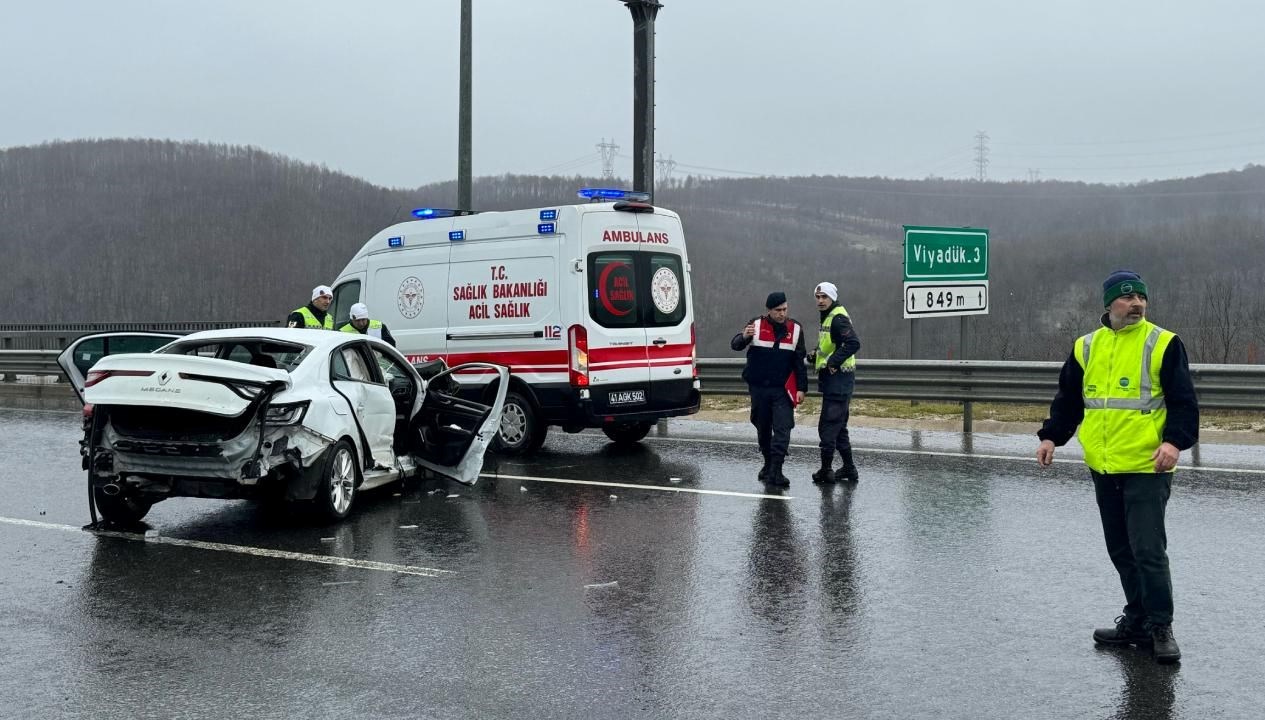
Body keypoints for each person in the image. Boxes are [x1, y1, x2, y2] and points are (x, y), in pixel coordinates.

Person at [1036, 269, 1198, 665]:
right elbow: (1069, 400)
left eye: (1141, 298)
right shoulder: (1086, 347)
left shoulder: (1162, 343)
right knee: (1121, 548)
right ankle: (1138, 620)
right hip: (1104, 465)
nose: (1136, 304)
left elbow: (1183, 402)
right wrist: (1050, 436)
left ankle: (1161, 626)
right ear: (1109, 305)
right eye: (1127, 299)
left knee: (1148, 550)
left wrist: (1174, 442)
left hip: (1147, 464)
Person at [731, 291, 808, 487]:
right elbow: (736, 345)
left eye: (785, 309)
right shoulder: (756, 325)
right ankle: (767, 463)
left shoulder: (795, 329)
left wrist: (801, 388)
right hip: (759, 388)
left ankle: (777, 470)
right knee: (762, 427)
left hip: (782, 390)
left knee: (783, 429)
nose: (782, 314)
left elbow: (799, 362)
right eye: (778, 310)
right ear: (769, 311)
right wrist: (744, 336)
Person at [808, 282, 861, 484]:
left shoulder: (837, 318)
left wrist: (833, 362)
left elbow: (854, 343)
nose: (820, 301)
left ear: (832, 298)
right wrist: (816, 355)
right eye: (818, 297)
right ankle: (849, 468)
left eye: (824, 297)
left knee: (828, 427)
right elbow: (830, 345)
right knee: (839, 428)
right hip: (836, 382)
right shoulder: (829, 316)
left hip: (839, 381)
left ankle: (826, 470)